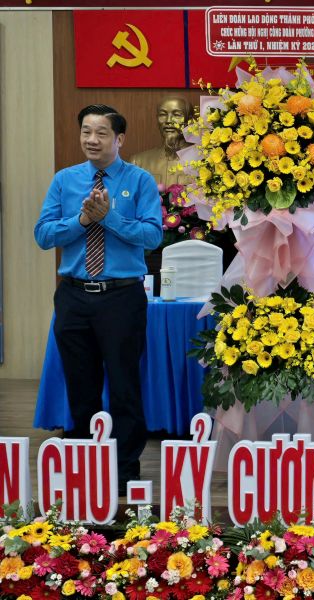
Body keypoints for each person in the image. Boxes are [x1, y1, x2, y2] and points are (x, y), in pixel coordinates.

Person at [34, 104, 163, 495]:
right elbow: (43, 235)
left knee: (124, 386)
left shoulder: (139, 182)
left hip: (120, 298)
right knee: (80, 385)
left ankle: (124, 473)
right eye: (86, 131)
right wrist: (83, 221)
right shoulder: (64, 181)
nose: (92, 139)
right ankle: (81, 469)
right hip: (73, 296)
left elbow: (153, 237)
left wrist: (109, 218)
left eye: (101, 133)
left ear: (119, 139)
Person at [130, 96, 194, 186]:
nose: (168, 120)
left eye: (176, 115)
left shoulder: (206, 161)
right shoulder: (138, 162)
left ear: (190, 121)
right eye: (163, 114)